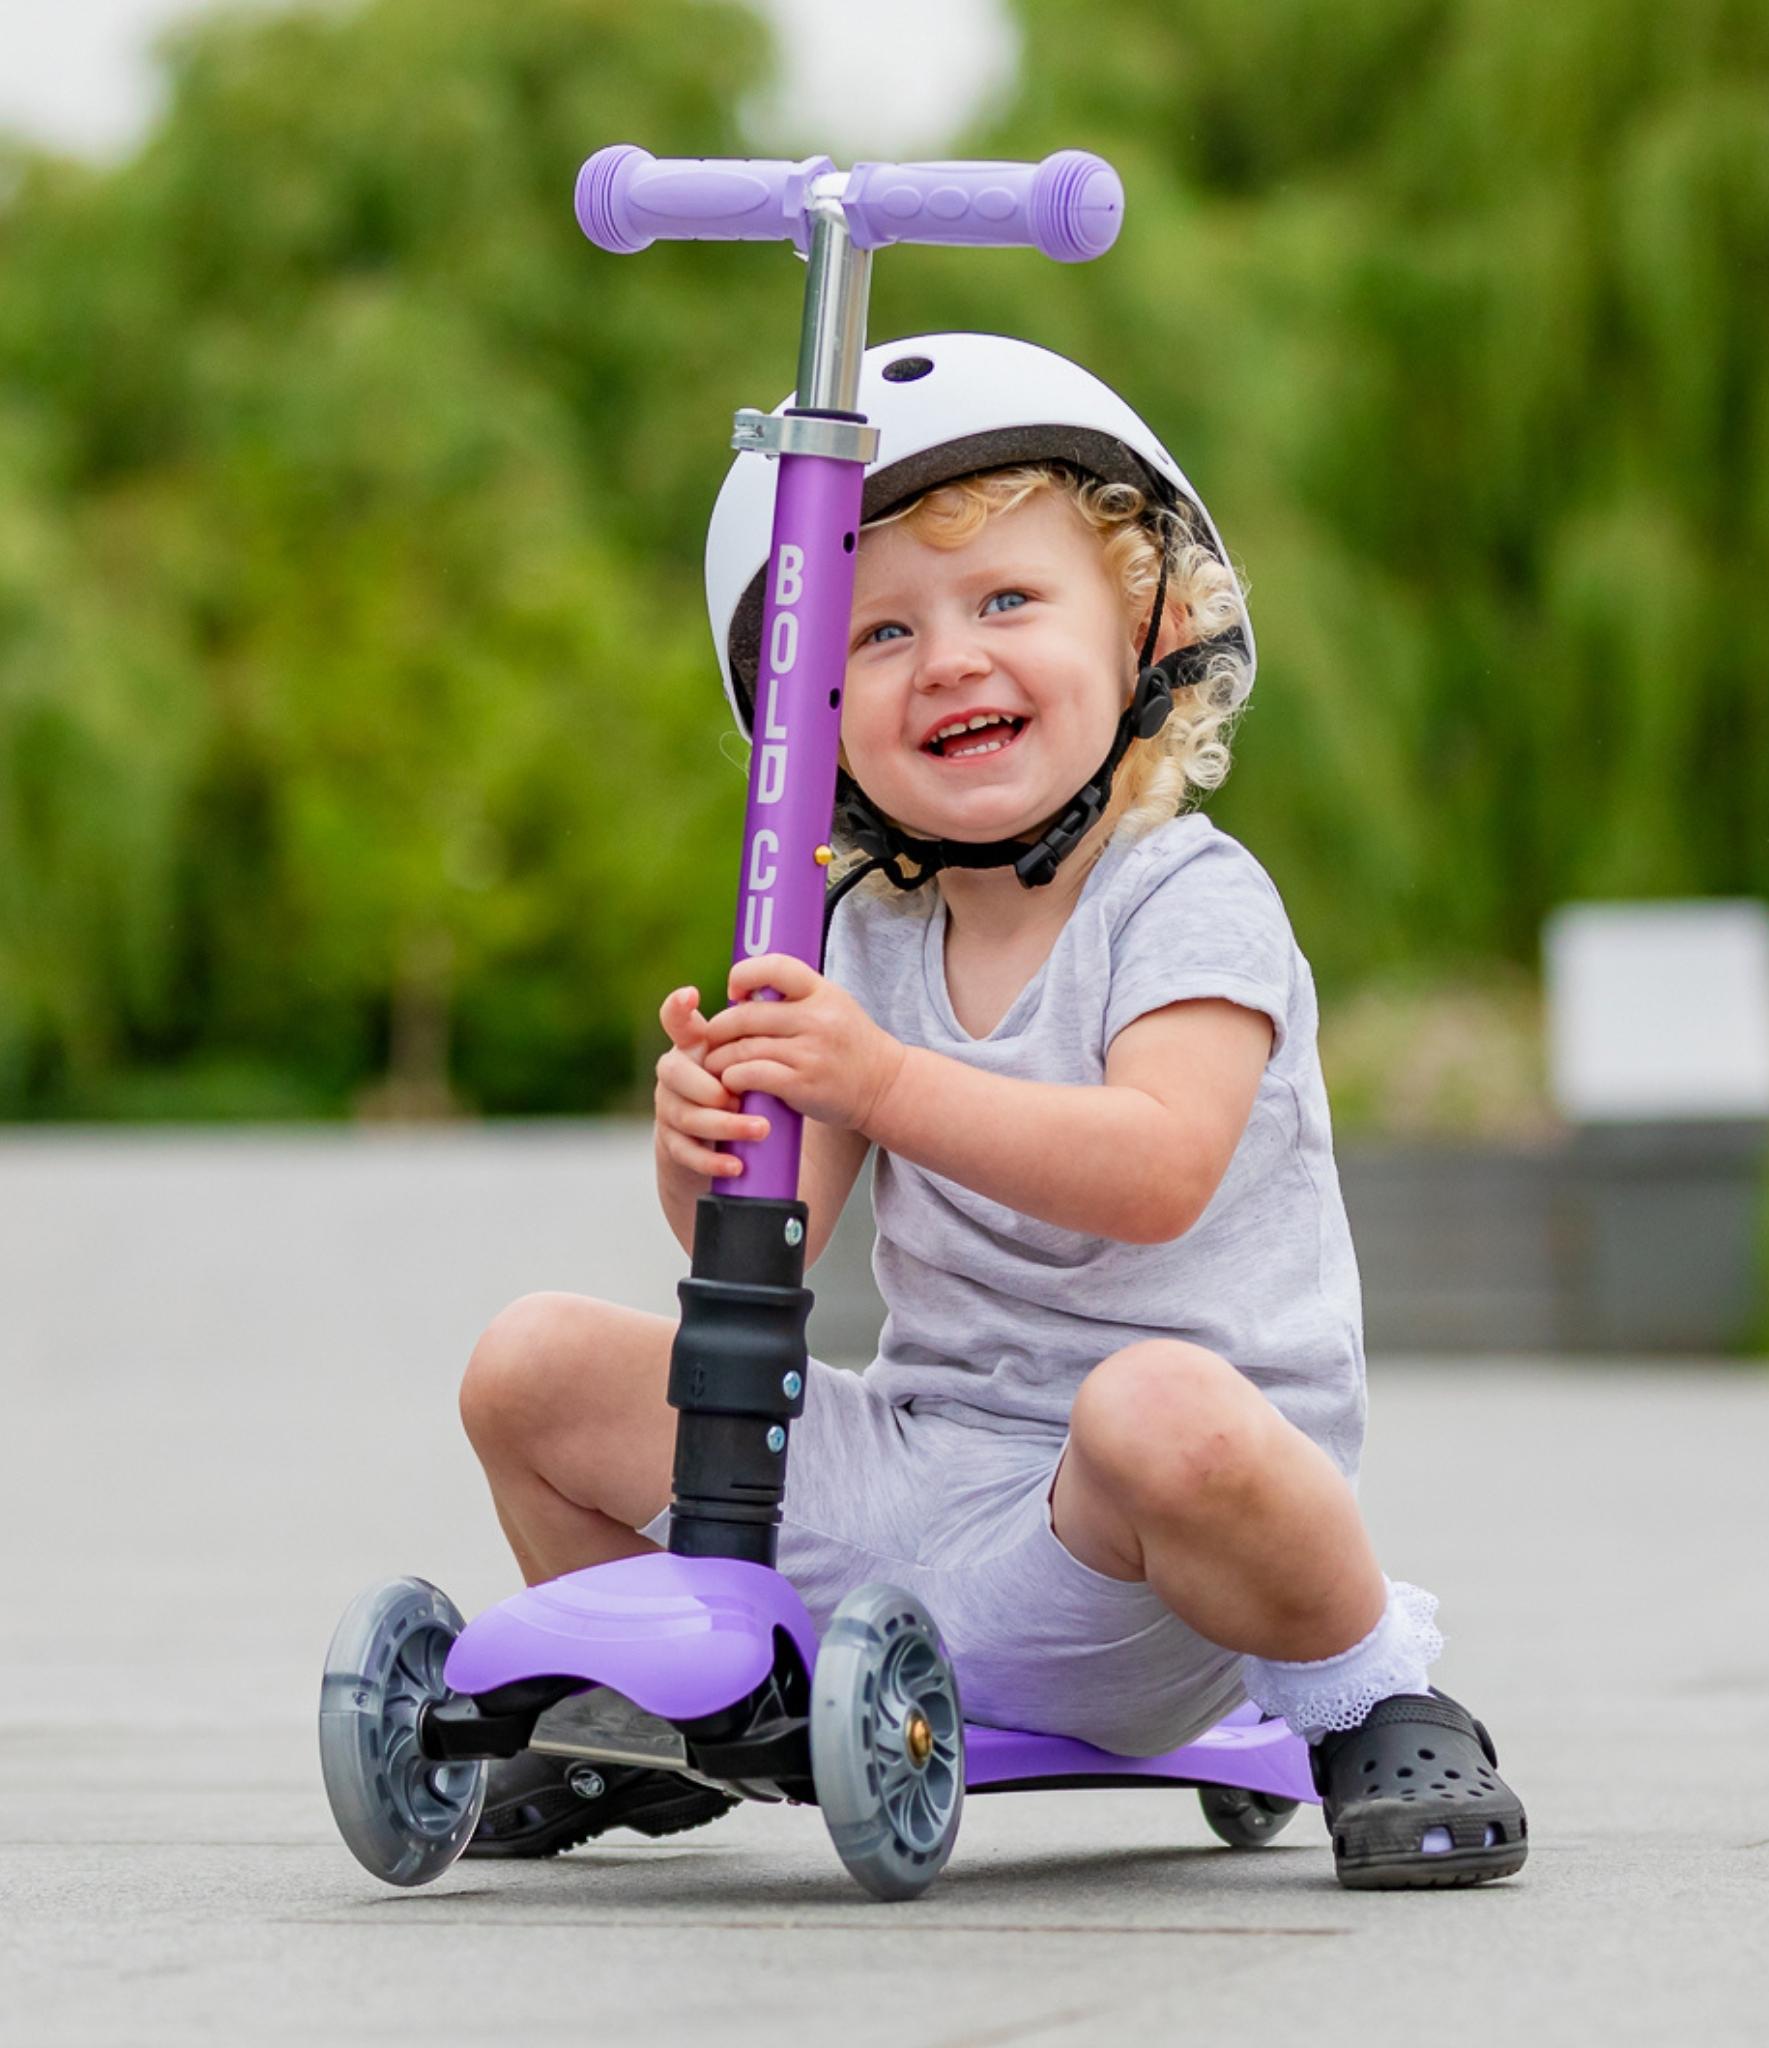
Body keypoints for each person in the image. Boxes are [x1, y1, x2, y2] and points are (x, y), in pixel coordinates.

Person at [456, 334, 1529, 1888]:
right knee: (533, 1367)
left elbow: (1159, 1169)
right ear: (816, 714)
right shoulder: (861, 935)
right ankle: (661, 1715)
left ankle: (1370, 1690)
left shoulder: (1187, 900)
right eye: (878, 632)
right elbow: (774, 1243)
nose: (949, 659)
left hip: (1145, 1546)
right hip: (916, 1474)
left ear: (1148, 629)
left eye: (1007, 602)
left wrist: (882, 1080)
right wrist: (706, 1145)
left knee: (1153, 1410)